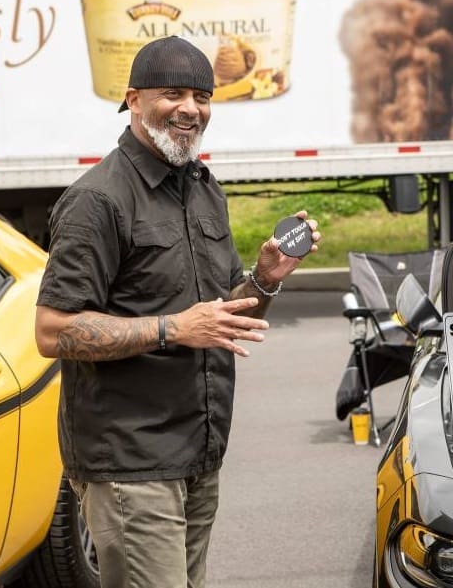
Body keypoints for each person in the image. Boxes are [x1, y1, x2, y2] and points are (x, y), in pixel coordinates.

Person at [34, 36, 321, 588]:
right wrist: (174, 328)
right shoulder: (98, 200)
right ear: (134, 99)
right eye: (173, 93)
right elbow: (54, 330)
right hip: (131, 461)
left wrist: (263, 279)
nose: (190, 108)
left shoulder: (202, 189)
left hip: (198, 451)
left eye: (202, 95)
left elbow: (217, 315)